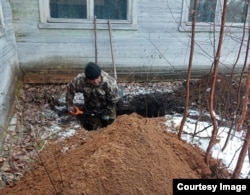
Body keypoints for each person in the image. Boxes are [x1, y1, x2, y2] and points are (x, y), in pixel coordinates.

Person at [66, 62, 119, 130]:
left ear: (100, 75)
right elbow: (70, 89)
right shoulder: (80, 80)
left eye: (97, 78)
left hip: (108, 108)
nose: (96, 81)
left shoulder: (110, 83)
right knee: (96, 130)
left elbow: (114, 100)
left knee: (112, 128)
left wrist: (107, 113)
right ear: (87, 78)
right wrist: (70, 105)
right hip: (91, 109)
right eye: (92, 80)